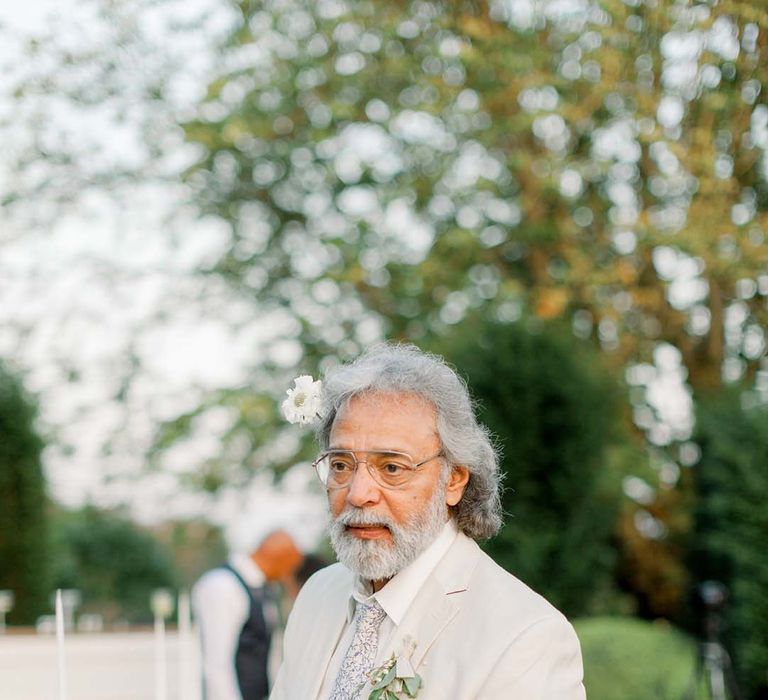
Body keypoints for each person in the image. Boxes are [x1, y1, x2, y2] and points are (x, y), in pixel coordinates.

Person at [270, 344, 586, 699]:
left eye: (391, 468)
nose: (358, 494)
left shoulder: (524, 637)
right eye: (341, 464)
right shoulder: (317, 594)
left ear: (454, 480)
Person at [193, 529, 303, 700]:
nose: (287, 576)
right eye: (289, 568)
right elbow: (216, 666)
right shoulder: (223, 586)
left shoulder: (263, 589)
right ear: (279, 559)